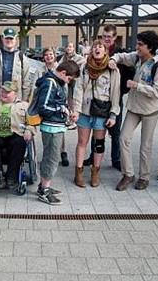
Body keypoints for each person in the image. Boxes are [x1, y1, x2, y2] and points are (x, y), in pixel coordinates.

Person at [110, 30, 158, 191]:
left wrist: (138, 86)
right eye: (137, 44)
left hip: (150, 111)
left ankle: (144, 177)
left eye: (141, 45)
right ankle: (128, 174)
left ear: (150, 47)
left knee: (145, 146)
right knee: (123, 138)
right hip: (133, 108)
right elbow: (121, 56)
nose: (137, 47)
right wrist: (113, 60)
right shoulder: (136, 58)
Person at [70, 40, 121, 188]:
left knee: (99, 144)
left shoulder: (112, 70)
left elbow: (115, 93)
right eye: (95, 47)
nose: (97, 49)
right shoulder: (84, 67)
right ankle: (78, 172)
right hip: (85, 111)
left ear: (106, 51)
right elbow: (78, 89)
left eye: (101, 47)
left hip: (102, 111)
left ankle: (95, 172)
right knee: (82, 142)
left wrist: (113, 114)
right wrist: (76, 111)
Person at [84, 24, 134, 170]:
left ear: (115, 37)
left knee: (115, 130)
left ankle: (116, 159)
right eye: (104, 36)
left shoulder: (121, 53)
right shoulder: (97, 51)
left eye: (109, 37)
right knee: (96, 127)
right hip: (97, 97)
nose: (106, 39)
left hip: (114, 97)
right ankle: (93, 156)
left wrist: (122, 90)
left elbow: (129, 72)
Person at [35, 60, 80, 205]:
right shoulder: (50, 83)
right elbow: (44, 107)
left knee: (51, 157)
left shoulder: (56, 82)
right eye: (69, 79)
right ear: (63, 73)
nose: (69, 82)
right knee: (51, 158)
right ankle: (44, 191)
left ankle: (43, 186)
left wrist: (67, 112)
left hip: (56, 126)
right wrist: (61, 110)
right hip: (51, 127)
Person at [0, 81, 35, 189]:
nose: (4, 94)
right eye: (2, 91)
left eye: (7, 92)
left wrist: (29, 130)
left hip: (15, 134)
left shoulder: (24, 106)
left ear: (15, 94)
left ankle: (12, 177)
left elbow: (32, 121)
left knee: (19, 143)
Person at [57, 42, 86, 166]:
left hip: (73, 86)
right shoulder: (62, 59)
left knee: (72, 102)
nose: (68, 49)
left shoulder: (79, 59)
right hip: (65, 87)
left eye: (70, 47)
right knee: (68, 101)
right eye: (67, 47)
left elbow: (83, 63)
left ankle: (71, 120)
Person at [0, 27, 37, 102]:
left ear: (16, 39)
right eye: (7, 38)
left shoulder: (22, 58)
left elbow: (26, 82)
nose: (9, 40)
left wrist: (24, 101)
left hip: (16, 100)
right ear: (2, 38)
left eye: (11, 38)